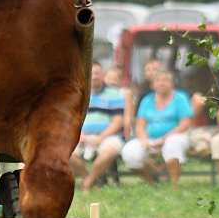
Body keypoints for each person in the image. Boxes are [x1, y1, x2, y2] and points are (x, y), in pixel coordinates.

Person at [121, 69, 193, 187]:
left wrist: (164, 139)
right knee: (129, 152)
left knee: (173, 144)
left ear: (171, 83)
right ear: (152, 85)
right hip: (151, 138)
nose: (161, 83)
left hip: (176, 136)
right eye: (158, 81)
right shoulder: (147, 100)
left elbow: (185, 124)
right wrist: (144, 141)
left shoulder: (180, 98)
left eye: (165, 80)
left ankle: (174, 185)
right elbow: (140, 125)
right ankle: (152, 182)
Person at [71, 62, 125, 191]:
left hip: (108, 136)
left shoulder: (114, 95)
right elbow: (71, 119)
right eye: (91, 73)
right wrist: (79, 134)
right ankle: (90, 179)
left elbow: (118, 122)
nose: (94, 76)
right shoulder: (77, 94)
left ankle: (87, 183)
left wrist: (100, 138)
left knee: (110, 152)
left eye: (97, 73)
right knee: (64, 152)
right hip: (81, 136)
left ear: (103, 75)